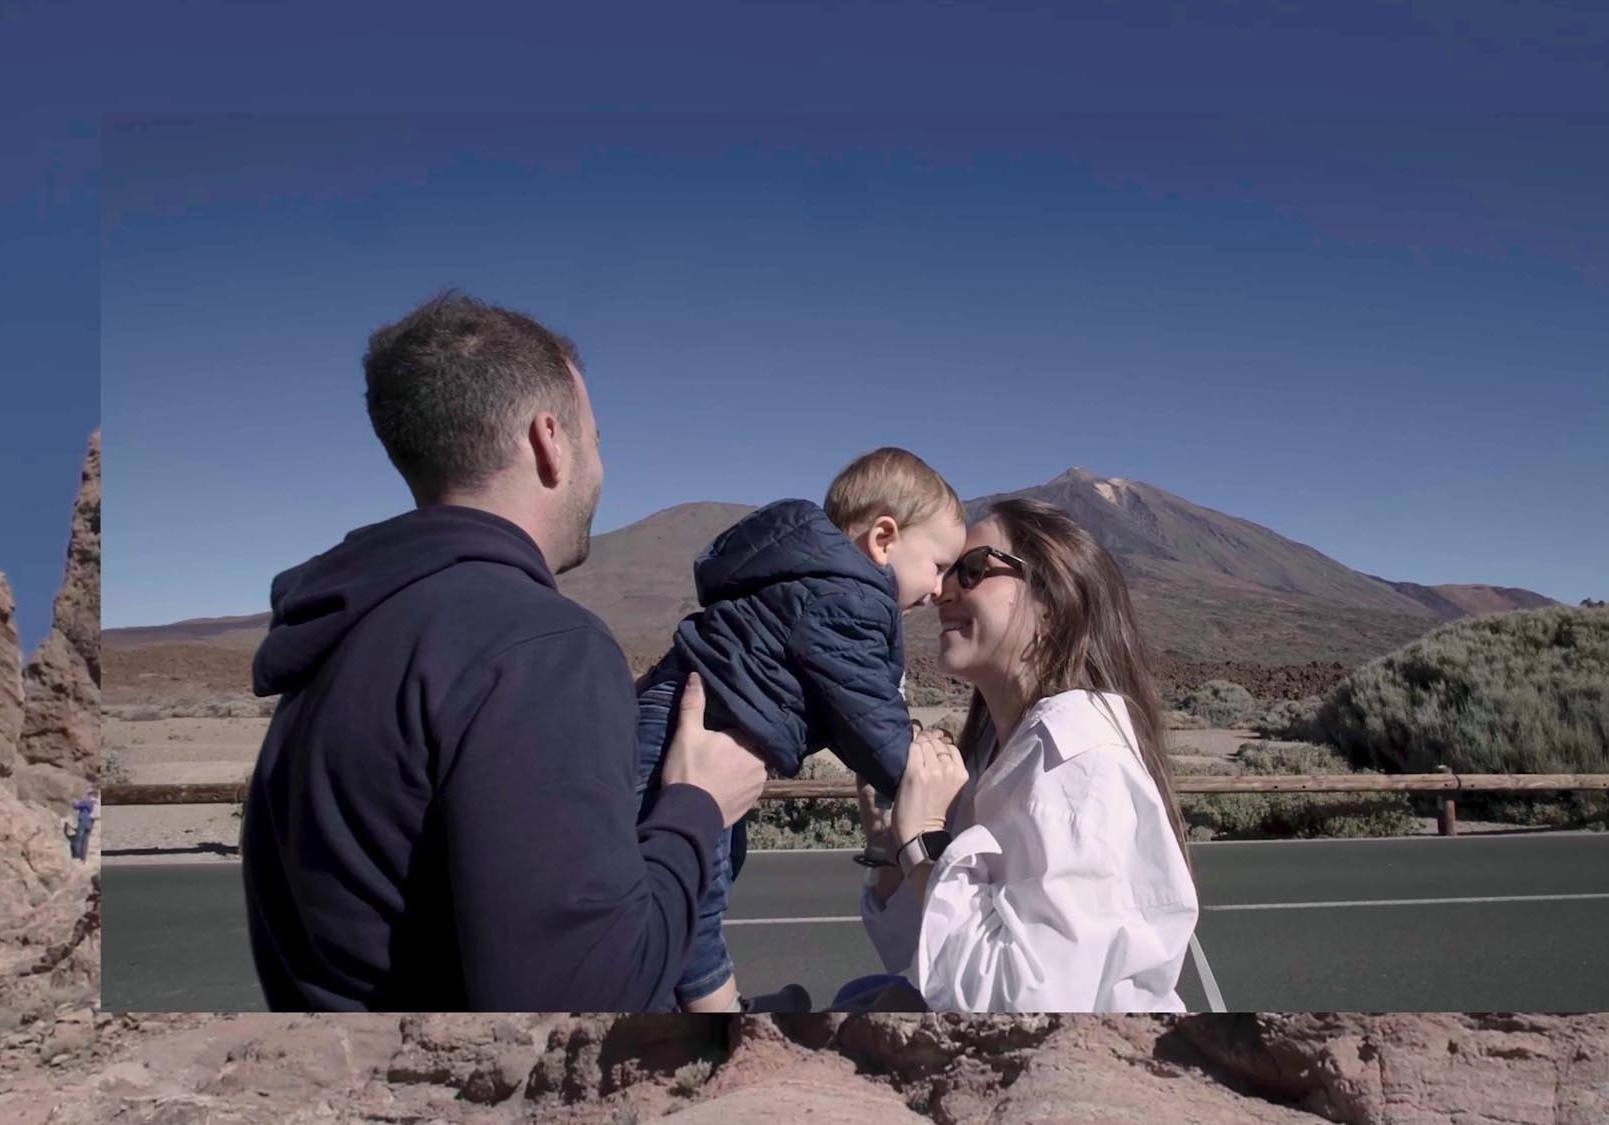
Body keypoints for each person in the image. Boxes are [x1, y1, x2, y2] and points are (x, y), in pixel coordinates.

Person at [239, 291, 767, 1012]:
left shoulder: (338, 634)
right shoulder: (537, 649)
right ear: (550, 440)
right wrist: (698, 806)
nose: (601, 468)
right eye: (595, 439)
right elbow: (584, 996)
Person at [632, 447, 968, 1011]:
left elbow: (848, 703)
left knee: (710, 869)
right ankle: (714, 1013)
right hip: (688, 734)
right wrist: (930, 777)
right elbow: (868, 720)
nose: (940, 590)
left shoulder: (816, 582)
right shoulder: (849, 601)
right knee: (691, 892)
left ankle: (682, 1001)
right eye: (938, 566)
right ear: (884, 539)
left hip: (682, 719)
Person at [849, 498, 1199, 1012]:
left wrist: (923, 840)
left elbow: (1027, 1000)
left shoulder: (1080, 766)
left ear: (1051, 602)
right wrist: (891, 850)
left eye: (972, 570)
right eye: (945, 571)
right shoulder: (995, 753)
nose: (941, 591)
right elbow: (925, 961)